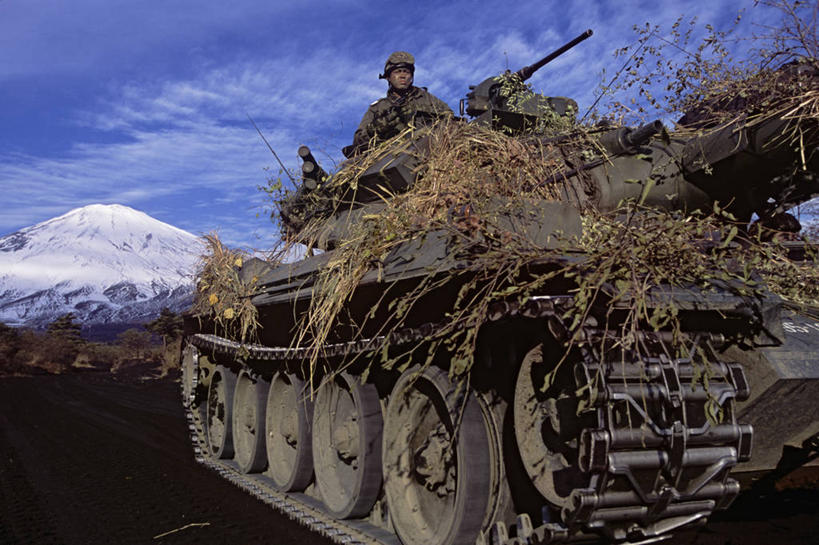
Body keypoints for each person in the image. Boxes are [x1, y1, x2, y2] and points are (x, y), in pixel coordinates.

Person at [345, 51, 453, 157]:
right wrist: (375, 129)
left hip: (429, 152)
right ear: (388, 77)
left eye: (406, 71)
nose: (402, 75)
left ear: (411, 76)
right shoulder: (378, 107)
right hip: (392, 158)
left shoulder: (426, 98)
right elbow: (358, 140)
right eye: (397, 72)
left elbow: (450, 119)